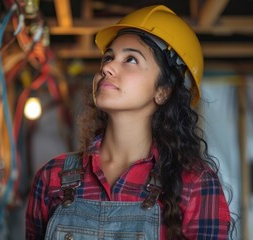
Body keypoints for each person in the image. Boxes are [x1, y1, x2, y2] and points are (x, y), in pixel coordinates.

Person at [26, 5, 231, 239]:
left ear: (163, 91)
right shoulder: (52, 176)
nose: (107, 67)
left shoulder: (195, 184)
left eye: (131, 59)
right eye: (109, 57)